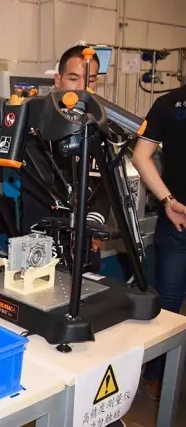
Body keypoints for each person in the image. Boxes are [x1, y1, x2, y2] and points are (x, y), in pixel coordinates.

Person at [19, 44, 111, 273]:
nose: (82, 88)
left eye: (90, 80)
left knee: (87, 287)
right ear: (58, 80)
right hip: (40, 235)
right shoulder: (34, 121)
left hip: (85, 237)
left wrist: (93, 224)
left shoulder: (99, 125)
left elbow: (105, 183)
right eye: (73, 78)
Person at [132, 83, 186, 400]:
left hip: (177, 216)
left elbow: (141, 156)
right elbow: (141, 156)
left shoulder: (169, 103)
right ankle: (156, 374)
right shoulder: (170, 104)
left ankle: (158, 376)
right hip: (179, 221)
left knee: (168, 302)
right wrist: (168, 202)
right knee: (167, 303)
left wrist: (168, 201)